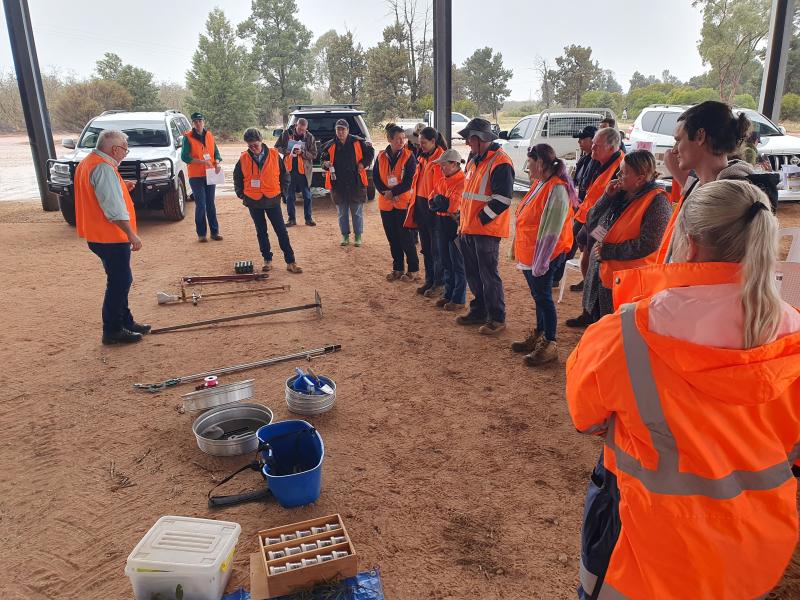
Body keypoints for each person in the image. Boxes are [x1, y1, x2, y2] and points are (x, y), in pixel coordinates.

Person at [567, 179, 800, 599]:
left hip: (644, 550)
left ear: (689, 243)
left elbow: (586, 418)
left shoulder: (625, 333)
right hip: (751, 551)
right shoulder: (793, 333)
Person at [74, 129, 149, 345]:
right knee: (120, 281)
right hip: (110, 236)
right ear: (115, 149)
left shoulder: (90, 162)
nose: (126, 153)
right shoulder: (103, 168)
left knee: (120, 279)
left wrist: (122, 186)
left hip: (98, 234)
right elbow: (113, 209)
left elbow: (99, 193)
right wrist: (131, 235)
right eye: (125, 149)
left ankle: (125, 322)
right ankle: (113, 329)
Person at [581, 150, 671, 321]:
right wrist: (606, 197)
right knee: (600, 327)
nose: (618, 175)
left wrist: (609, 251)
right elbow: (592, 222)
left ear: (640, 177)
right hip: (602, 274)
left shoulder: (658, 202)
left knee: (617, 332)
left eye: (624, 172)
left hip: (627, 283)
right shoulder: (620, 194)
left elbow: (648, 244)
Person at [511, 144, 575, 366]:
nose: (527, 167)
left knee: (544, 297)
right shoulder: (541, 183)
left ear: (539, 163)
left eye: (529, 162)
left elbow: (552, 231)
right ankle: (540, 334)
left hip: (544, 255)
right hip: (533, 255)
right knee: (539, 296)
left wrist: (541, 261)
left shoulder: (556, 189)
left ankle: (550, 342)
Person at [456, 117, 515, 335]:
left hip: (486, 232)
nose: (467, 143)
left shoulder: (501, 162)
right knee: (473, 274)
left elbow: (503, 199)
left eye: (469, 139)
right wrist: (464, 221)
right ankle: (479, 310)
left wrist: (480, 219)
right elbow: (468, 195)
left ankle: (497, 318)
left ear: (479, 139)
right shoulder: (473, 158)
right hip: (469, 229)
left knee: (489, 275)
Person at [566, 127, 624, 327]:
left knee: (595, 263)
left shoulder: (620, 166)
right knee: (586, 256)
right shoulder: (596, 162)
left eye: (597, 147)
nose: (592, 150)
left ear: (611, 147)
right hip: (589, 218)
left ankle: (592, 311)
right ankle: (588, 307)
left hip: (603, 225)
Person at [233, 128, 303, 274]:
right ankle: (267, 260)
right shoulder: (243, 158)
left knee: (281, 231)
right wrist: (242, 195)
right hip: (253, 201)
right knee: (261, 232)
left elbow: (285, 175)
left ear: (261, 141)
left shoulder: (274, 154)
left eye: (255, 145)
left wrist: (281, 193)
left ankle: (291, 261)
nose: (253, 148)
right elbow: (237, 178)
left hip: (272, 199)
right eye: (250, 146)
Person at [404, 126, 447, 297]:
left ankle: (439, 283)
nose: (419, 146)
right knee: (427, 249)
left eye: (423, 143)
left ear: (433, 142)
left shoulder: (443, 159)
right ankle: (430, 280)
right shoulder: (423, 157)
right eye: (419, 143)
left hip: (435, 211)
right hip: (422, 209)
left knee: (437, 251)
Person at [374, 124, 420, 281]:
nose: (402, 141)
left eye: (403, 138)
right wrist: (385, 193)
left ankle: (413, 270)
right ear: (389, 139)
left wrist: (393, 192)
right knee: (392, 238)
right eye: (398, 139)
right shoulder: (380, 156)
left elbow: (409, 181)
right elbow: (375, 178)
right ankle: (397, 268)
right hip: (386, 204)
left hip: (402, 203)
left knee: (406, 238)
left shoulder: (409, 156)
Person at [554, 125, 598, 288]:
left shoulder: (597, 160)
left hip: (590, 210)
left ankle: (562, 276)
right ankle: (559, 275)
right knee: (576, 241)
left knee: (580, 243)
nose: (579, 142)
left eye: (582, 139)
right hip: (582, 207)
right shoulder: (586, 158)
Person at [320, 119, 375, 247]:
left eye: (343, 129)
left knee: (356, 211)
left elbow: (370, 153)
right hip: (338, 184)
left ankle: (358, 236)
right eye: (338, 129)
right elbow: (323, 159)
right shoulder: (329, 145)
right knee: (342, 213)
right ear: (335, 131)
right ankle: (345, 236)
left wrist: (363, 164)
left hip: (356, 183)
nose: (340, 132)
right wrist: (325, 164)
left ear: (348, 130)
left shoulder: (358, 142)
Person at [429, 148, 467, 310]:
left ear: (454, 164)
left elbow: (452, 207)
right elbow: (431, 200)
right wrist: (440, 202)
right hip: (442, 223)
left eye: (444, 165)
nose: (441, 168)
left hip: (455, 225)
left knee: (457, 264)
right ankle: (448, 294)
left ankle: (458, 299)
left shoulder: (462, 181)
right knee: (446, 261)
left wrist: (440, 202)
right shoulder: (443, 179)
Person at [182, 112, 223, 242]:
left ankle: (214, 232)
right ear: (193, 123)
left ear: (203, 122)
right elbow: (184, 157)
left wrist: (217, 162)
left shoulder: (209, 135)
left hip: (210, 174)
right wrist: (201, 162)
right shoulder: (187, 137)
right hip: (196, 176)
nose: (198, 123)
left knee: (211, 203)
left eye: (200, 121)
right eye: (195, 121)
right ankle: (201, 234)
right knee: (201, 204)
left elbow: (216, 152)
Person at [275, 117, 318, 227]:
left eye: (303, 130)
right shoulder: (286, 134)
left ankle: (308, 219)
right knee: (289, 196)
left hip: (303, 171)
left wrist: (302, 152)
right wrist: (287, 151)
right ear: (296, 126)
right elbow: (277, 147)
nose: (301, 131)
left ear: (306, 128)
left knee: (307, 196)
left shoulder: (310, 137)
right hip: (289, 170)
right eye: (299, 129)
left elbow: (314, 154)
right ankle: (291, 219)